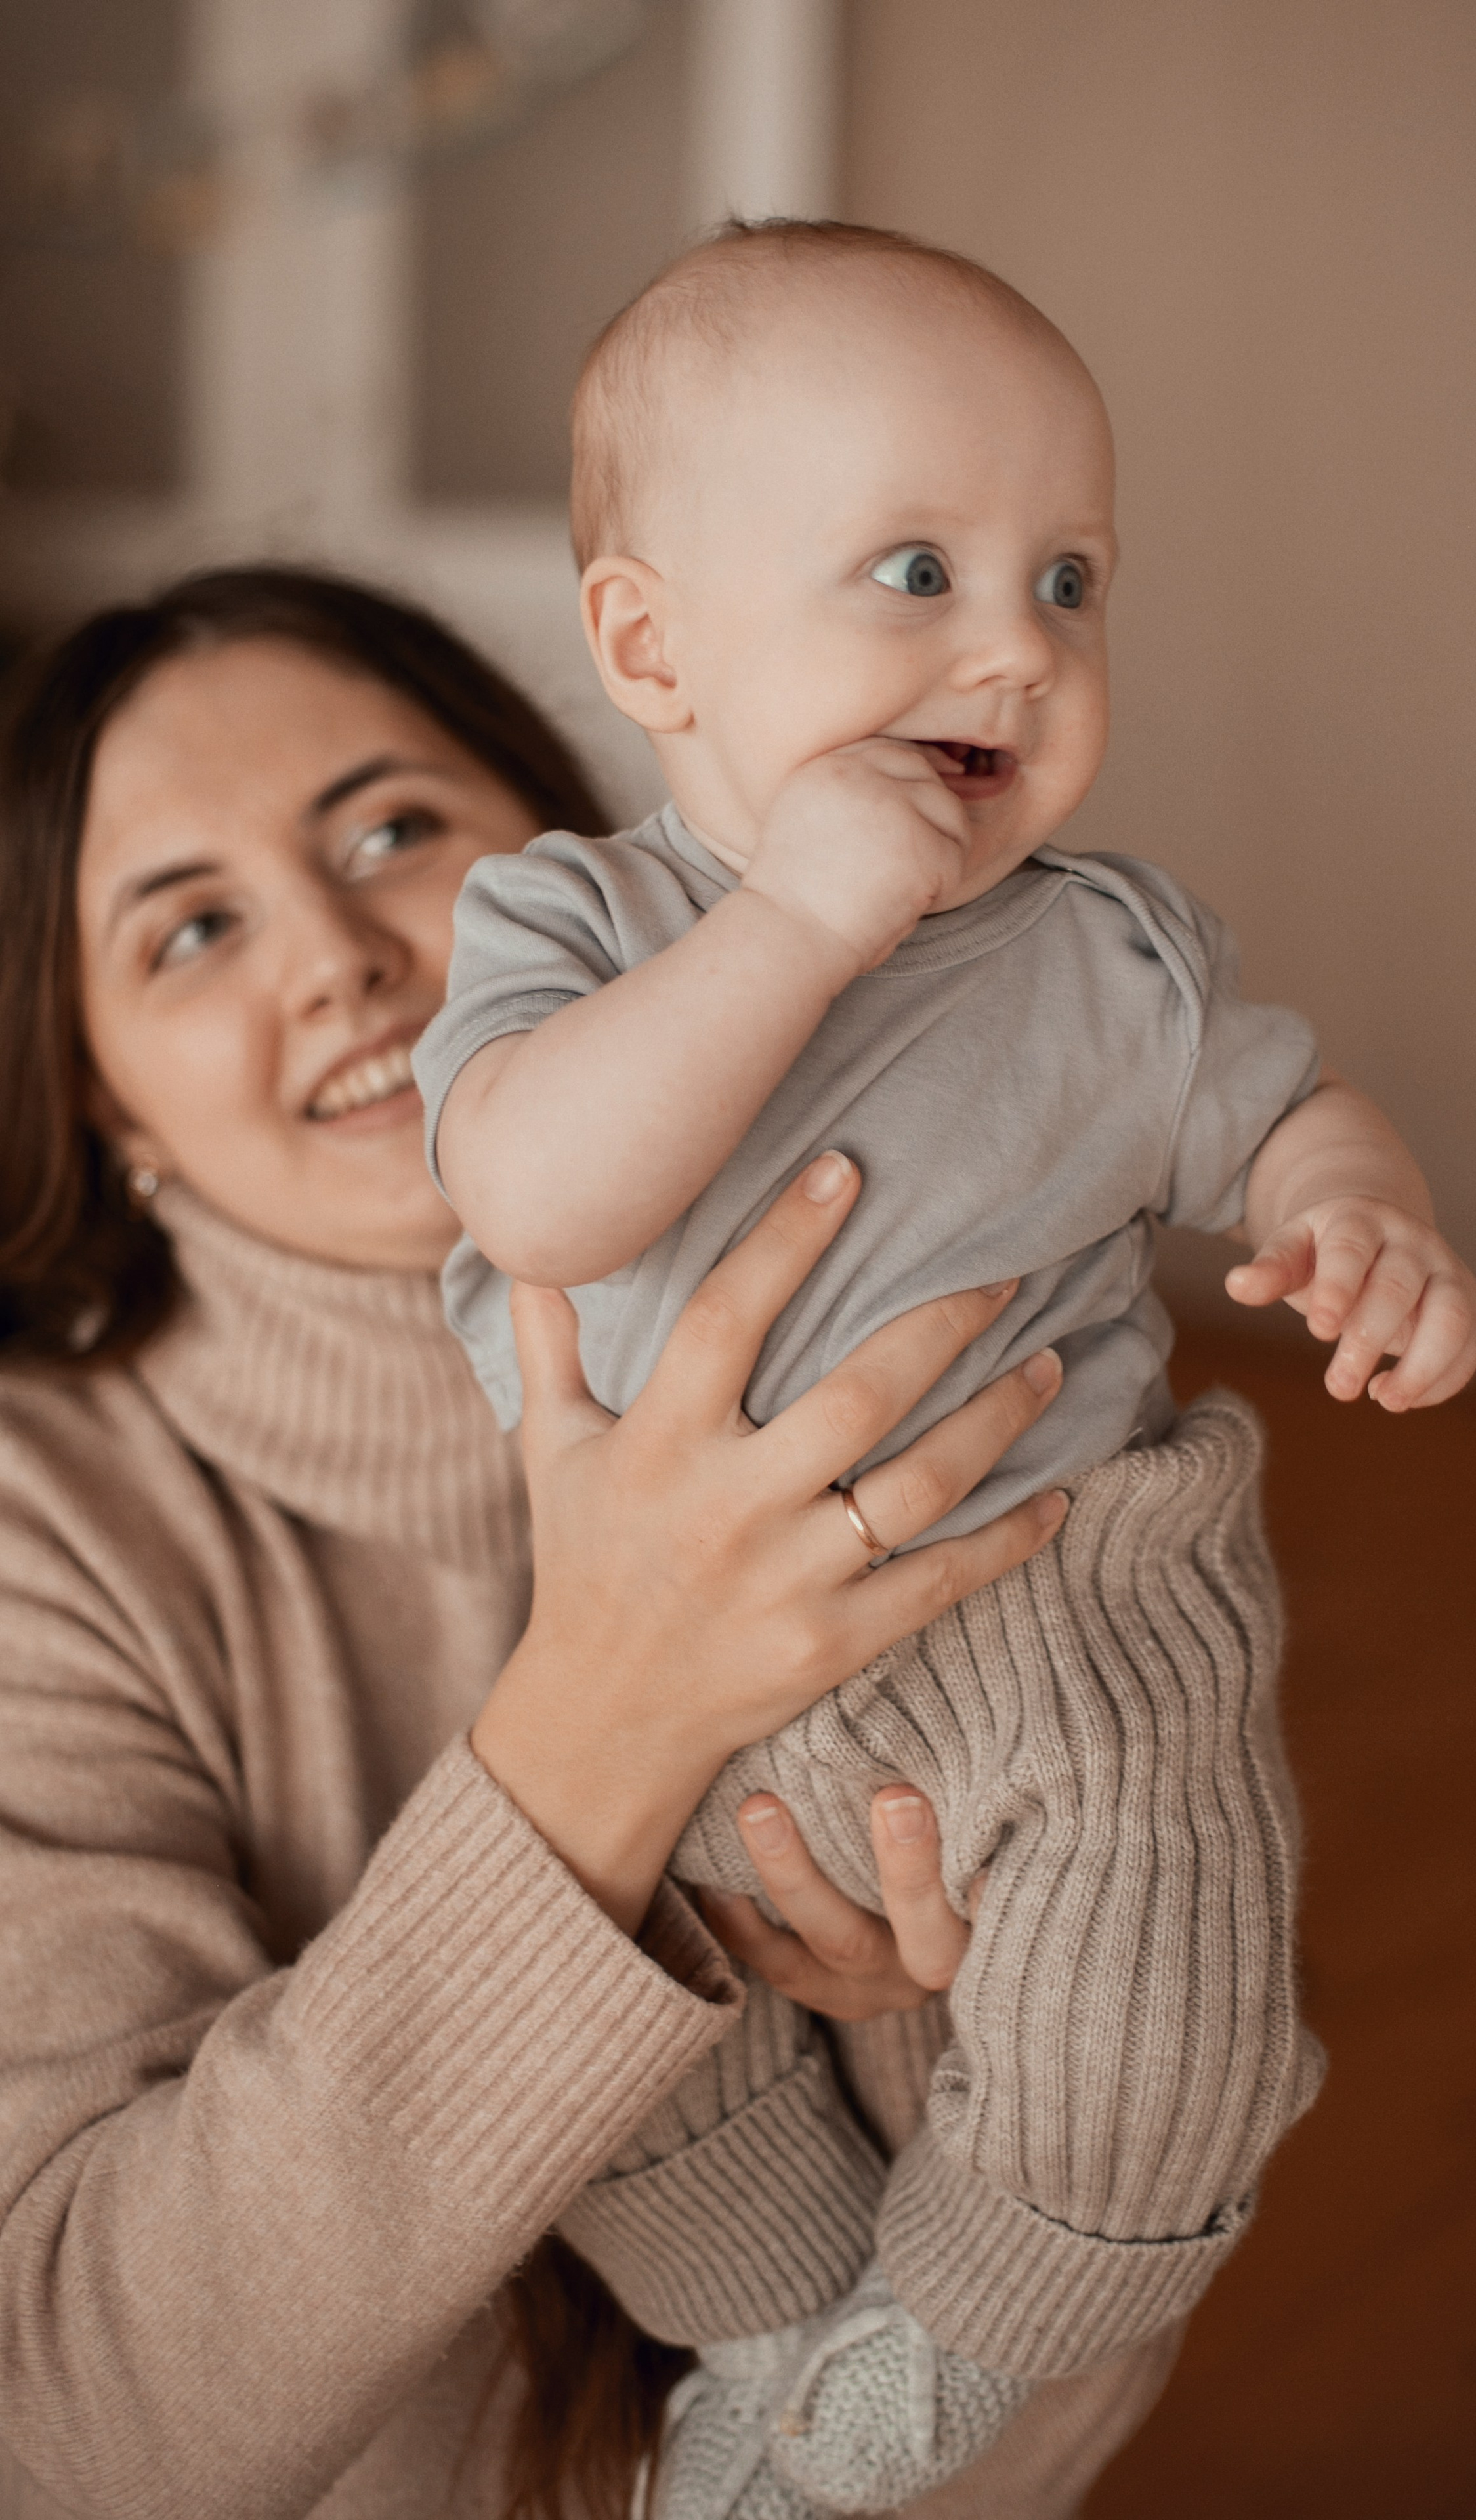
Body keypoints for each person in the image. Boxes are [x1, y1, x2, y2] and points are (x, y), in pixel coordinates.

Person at [417, 222, 1476, 2519]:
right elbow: (537, 1195)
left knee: (1164, 2034)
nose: (1017, 642)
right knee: (611, 2064)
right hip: (666, 1672)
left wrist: (1362, 1206)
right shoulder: (576, 927)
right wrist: (803, 921)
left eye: (1073, 580)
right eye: (916, 568)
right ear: (650, 644)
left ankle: (944, 2354)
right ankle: (782, 2337)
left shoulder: (1107, 949)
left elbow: (1279, 1110)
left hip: (1068, 1619)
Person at [0, 565, 1123, 2520]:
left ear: (584, 872)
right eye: (189, 930)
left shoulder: (914, 1321)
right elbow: (73, 2428)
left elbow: (1059, 2395)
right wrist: (610, 1725)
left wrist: (948, 2030)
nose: (341, 957)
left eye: (392, 828)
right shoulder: (43, 1529)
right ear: (106, 1102)